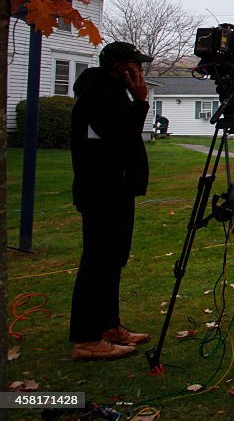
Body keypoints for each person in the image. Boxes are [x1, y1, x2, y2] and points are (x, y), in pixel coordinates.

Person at [69, 41, 154, 361]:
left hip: (116, 190)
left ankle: (108, 326)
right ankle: (86, 338)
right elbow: (123, 136)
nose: (141, 72)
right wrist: (141, 101)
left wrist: (136, 100)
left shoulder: (113, 93)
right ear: (120, 67)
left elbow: (123, 135)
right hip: (101, 191)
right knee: (97, 262)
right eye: (136, 65)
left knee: (113, 260)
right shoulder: (97, 95)